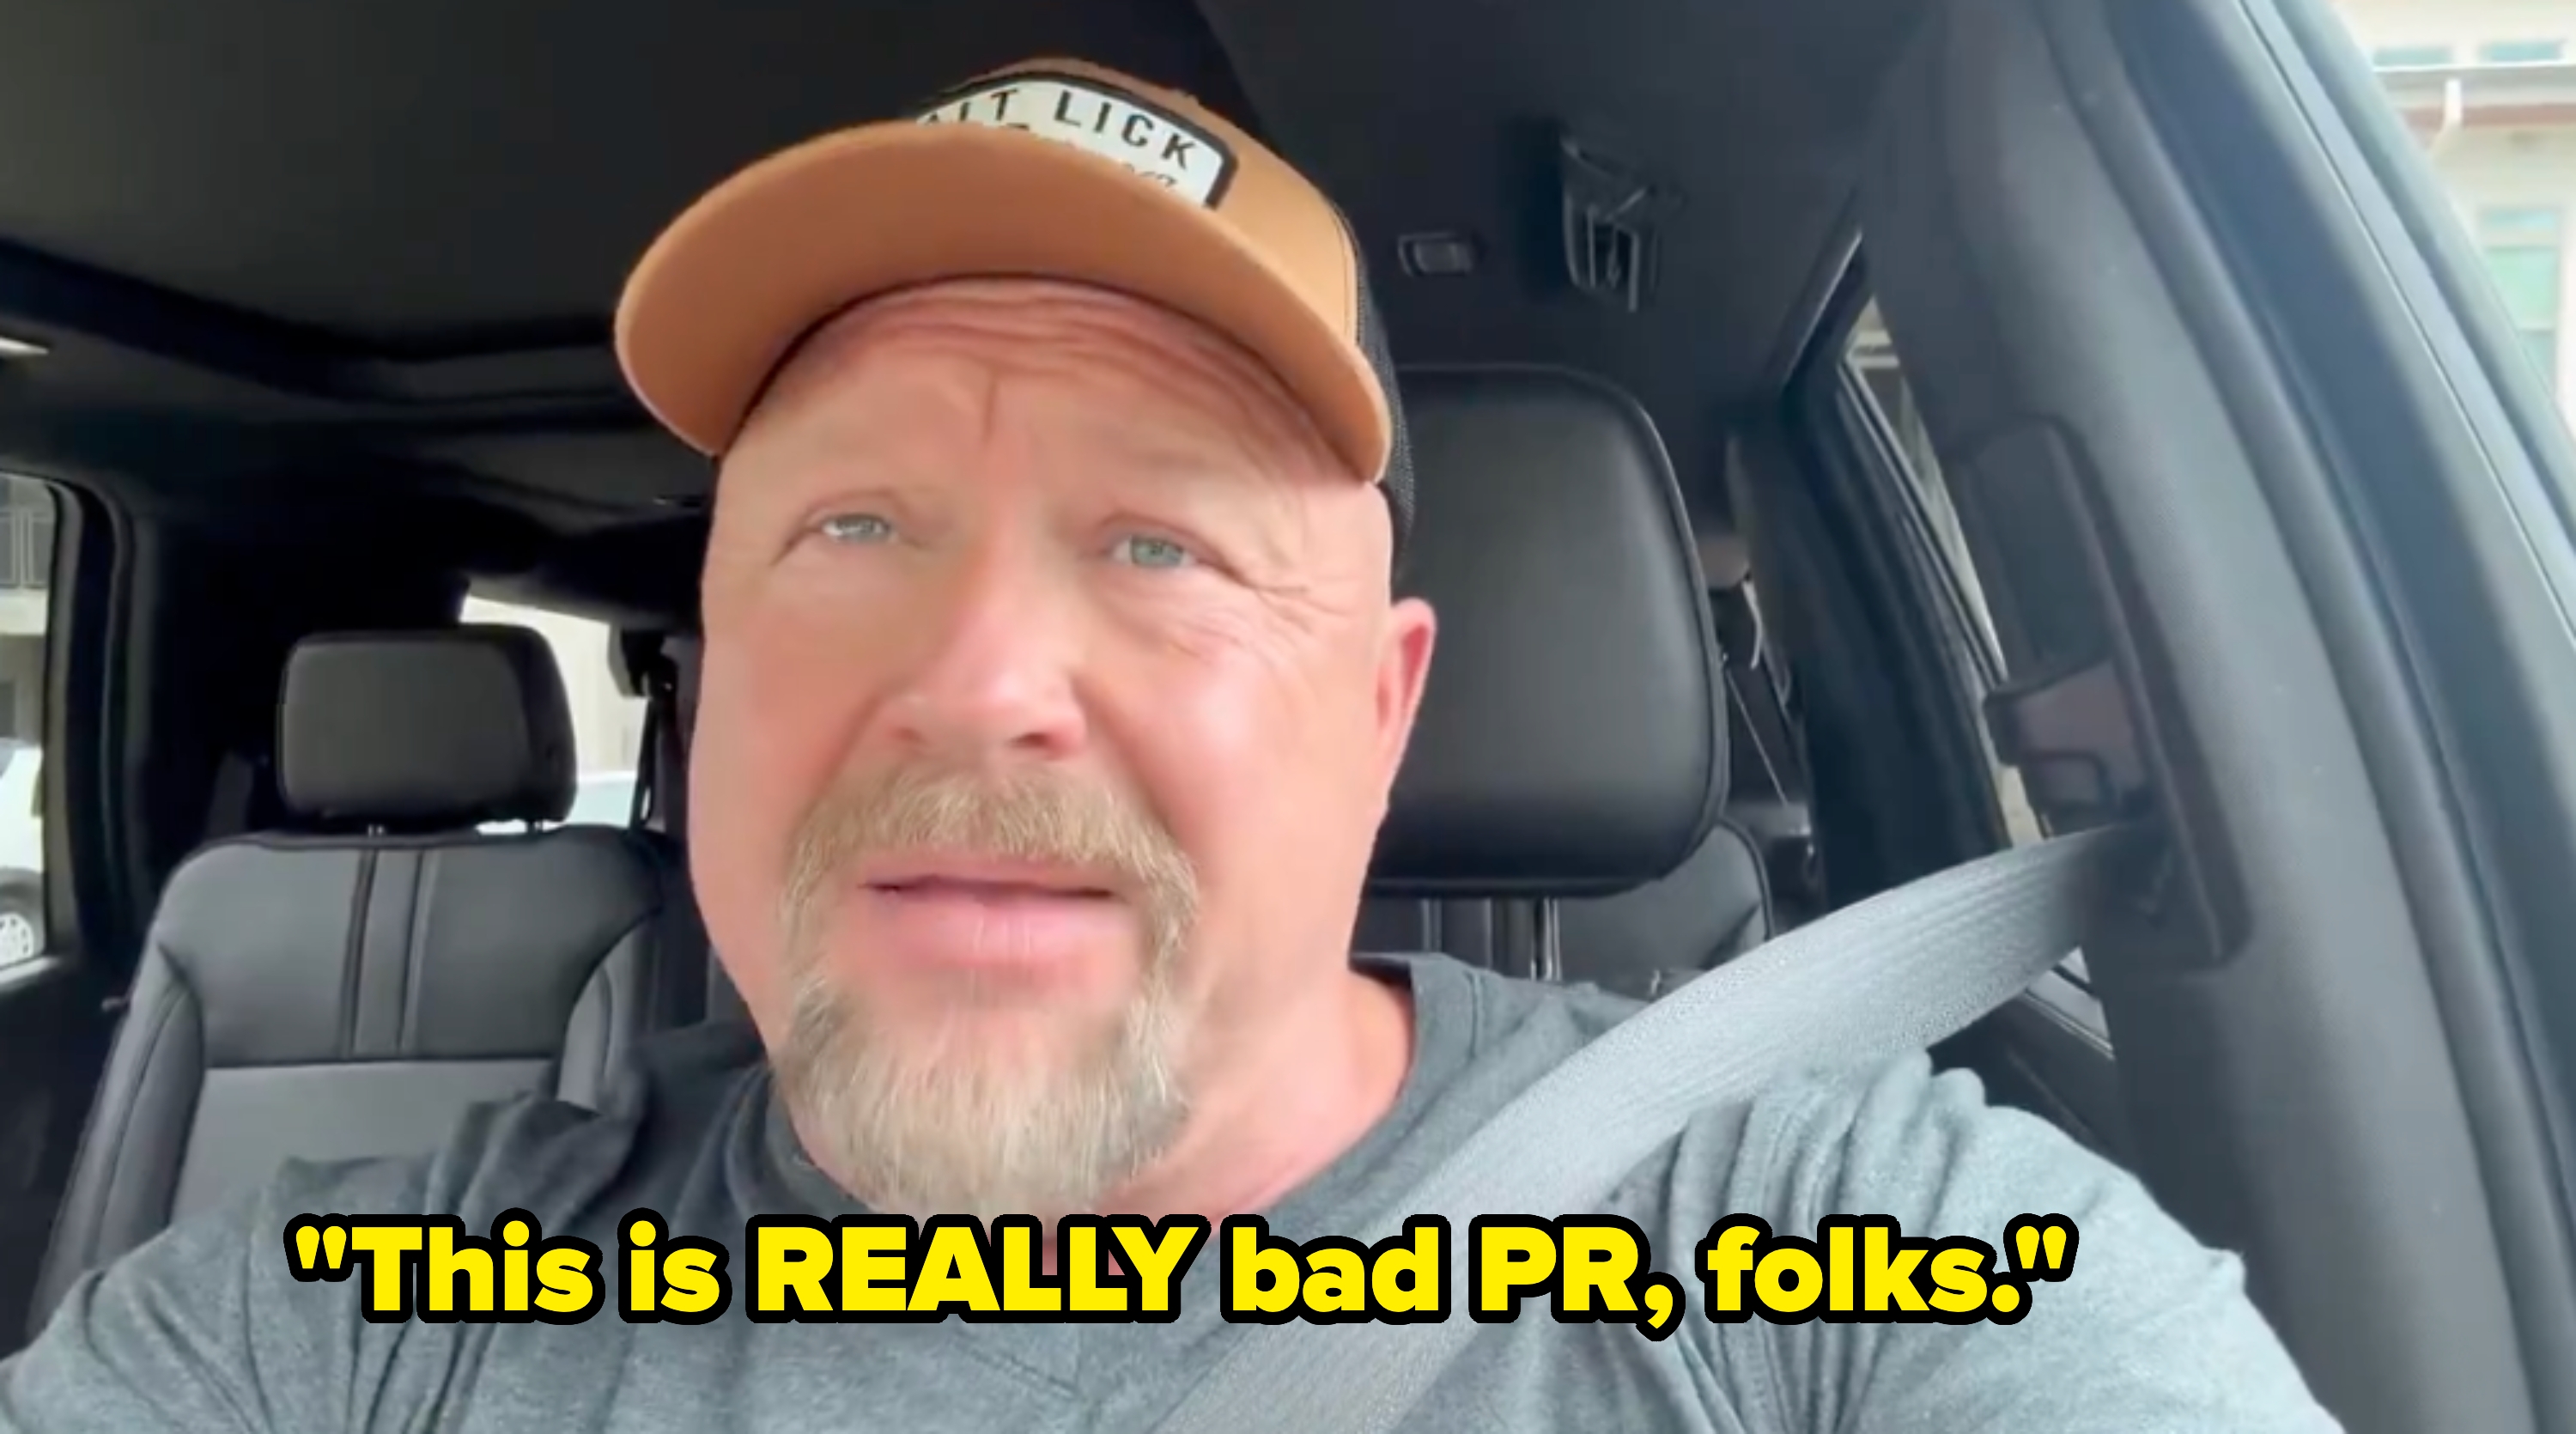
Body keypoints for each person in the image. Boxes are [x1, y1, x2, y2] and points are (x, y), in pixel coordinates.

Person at [0, 56, 2341, 1433]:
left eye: (1161, 551)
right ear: (705, 672)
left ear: (1386, 706)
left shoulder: (1836, 1259)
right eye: (852, 528)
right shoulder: (336, 1330)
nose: (980, 676)